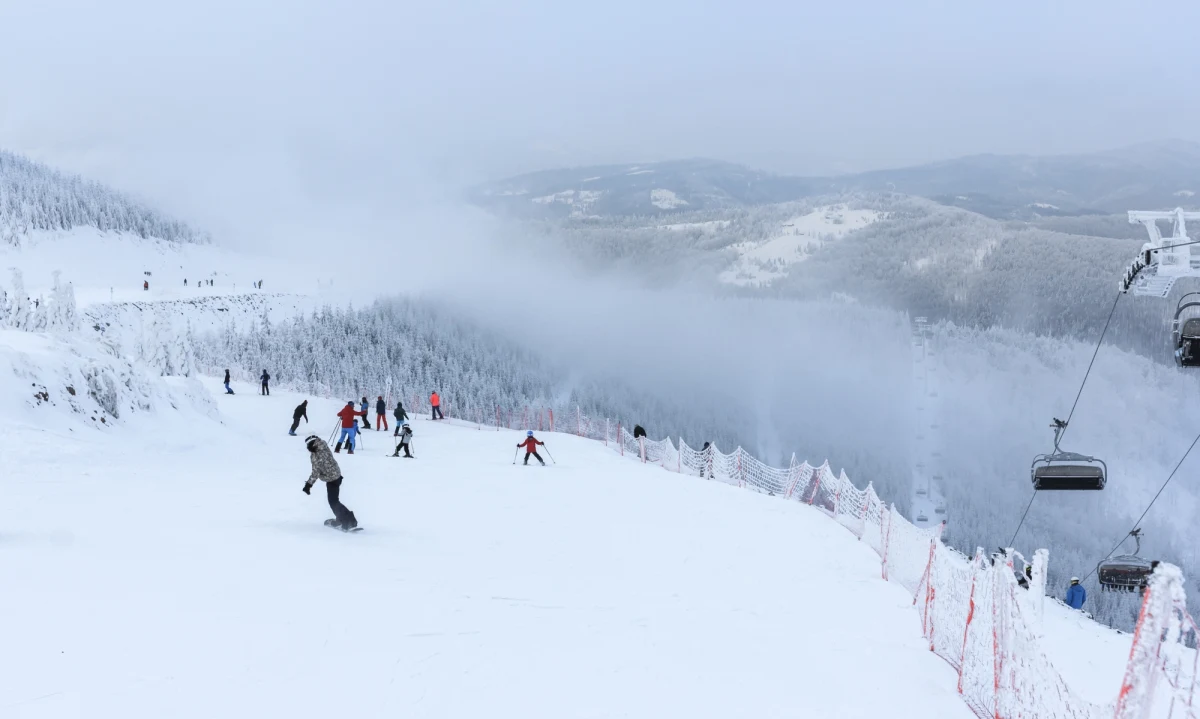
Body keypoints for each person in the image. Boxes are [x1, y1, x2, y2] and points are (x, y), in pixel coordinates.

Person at [302, 435, 357, 531]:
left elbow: (315, 472)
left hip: (331, 479)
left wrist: (308, 485)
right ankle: (342, 519)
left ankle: (348, 521)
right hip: (337, 475)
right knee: (334, 500)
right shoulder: (323, 445)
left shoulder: (315, 455)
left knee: (333, 501)